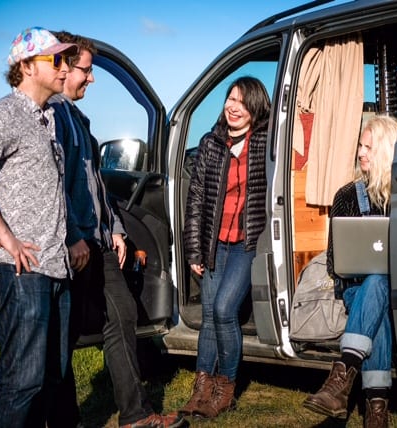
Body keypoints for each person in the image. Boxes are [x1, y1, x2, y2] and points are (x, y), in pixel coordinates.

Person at [47, 31, 184, 428]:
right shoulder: (49, 118)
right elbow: (54, 187)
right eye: (86, 71)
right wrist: (72, 235)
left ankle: (136, 415)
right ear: (63, 68)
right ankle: (63, 420)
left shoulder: (78, 120)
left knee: (122, 314)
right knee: (61, 335)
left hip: (100, 240)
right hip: (70, 242)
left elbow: (97, 188)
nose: (92, 78)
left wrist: (119, 229)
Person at [0, 27, 78, 427]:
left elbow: (51, 193)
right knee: (22, 381)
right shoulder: (6, 112)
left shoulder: (50, 119)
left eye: (66, 59)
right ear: (25, 66)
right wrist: (6, 238)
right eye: (55, 59)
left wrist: (72, 236)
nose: (65, 68)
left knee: (52, 378)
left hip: (55, 267)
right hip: (20, 270)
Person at [180, 76, 271, 419]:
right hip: (213, 243)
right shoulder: (211, 143)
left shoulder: (264, 142)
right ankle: (201, 389)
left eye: (242, 102)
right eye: (230, 99)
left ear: (255, 108)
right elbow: (196, 200)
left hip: (247, 244)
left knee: (222, 310)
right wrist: (194, 251)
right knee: (207, 317)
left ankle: (225, 388)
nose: (233, 106)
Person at [302, 114, 397, 428]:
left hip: (396, 287)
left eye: (369, 147)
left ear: (386, 151)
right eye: (360, 145)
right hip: (354, 287)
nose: (361, 153)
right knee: (375, 285)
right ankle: (377, 411)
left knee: (380, 284)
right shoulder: (347, 195)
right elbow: (334, 263)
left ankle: (342, 377)